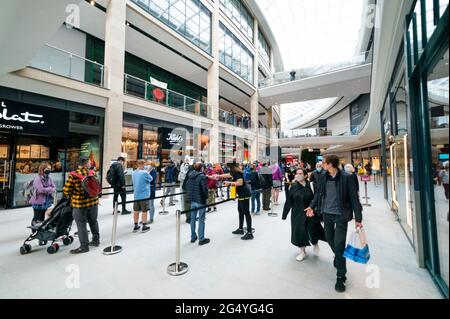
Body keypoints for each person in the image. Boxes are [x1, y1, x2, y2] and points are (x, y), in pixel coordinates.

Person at [305, 155, 363, 293]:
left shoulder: (347, 177)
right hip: (327, 214)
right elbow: (318, 194)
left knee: (339, 244)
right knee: (329, 238)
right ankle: (338, 257)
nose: (321, 165)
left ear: (330, 164)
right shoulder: (324, 176)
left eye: (324, 163)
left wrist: (358, 219)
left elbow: (354, 198)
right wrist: (312, 206)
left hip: (341, 215)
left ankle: (341, 277)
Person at [282, 169, 326, 261]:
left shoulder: (311, 185)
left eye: (300, 174)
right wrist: (284, 214)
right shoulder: (293, 187)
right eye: (297, 173)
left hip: (311, 213)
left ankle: (315, 243)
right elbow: (289, 201)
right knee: (299, 232)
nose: (298, 175)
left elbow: (318, 199)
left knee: (313, 230)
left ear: (305, 176)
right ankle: (302, 251)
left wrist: (317, 211)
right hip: (297, 214)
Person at [63, 156, 100, 254]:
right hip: (93, 202)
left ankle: (84, 246)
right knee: (93, 221)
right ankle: (96, 240)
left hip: (80, 204)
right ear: (86, 163)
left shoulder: (73, 175)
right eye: (89, 162)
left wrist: (71, 195)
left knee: (81, 225)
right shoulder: (92, 173)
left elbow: (67, 191)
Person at [222, 163, 253, 240]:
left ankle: (249, 233)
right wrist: (219, 176)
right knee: (240, 211)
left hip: (244, 194)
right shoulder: (235, 172)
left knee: (246, 213)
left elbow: (240, 183)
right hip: (241, 194)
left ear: (231, 167)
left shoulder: (237, 173)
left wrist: (229, 183)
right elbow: (228, 175)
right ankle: (240, 229)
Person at [184, 162, 210, 246]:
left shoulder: (190, 175)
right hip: (200, 200)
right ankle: (201, 239)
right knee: (201, 220)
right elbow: (205, 189)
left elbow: (187, 186)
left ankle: (193, 236)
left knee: (193, 219)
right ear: (201, 168)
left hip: (192, 200)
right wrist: (206, 197)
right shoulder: (202, 177)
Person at [30, 162, 56, 227]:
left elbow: (54, 188)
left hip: (45, 201)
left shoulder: (49, 178)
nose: (49, 170)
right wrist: (50, 188)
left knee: (42, 218)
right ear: (42, 169)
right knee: (36, 217)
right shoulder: (38, 178)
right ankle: (34, 230)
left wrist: (48, 189)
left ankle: (39, 229)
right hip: (38, 201)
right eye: (47, 168)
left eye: (50, 168)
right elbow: (41, 190)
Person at [132, 159, 152, 233]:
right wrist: (148, 172)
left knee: (136, 210)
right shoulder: (144, 173)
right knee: (144, 211)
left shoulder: (134, 172)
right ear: (142, 164)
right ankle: (144, 226)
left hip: (136, 195)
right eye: (144, 164)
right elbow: (151, 179)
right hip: (144, 195)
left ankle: (136, 225)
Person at [179, 156, 193, 223]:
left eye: (188, 159)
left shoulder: (190, 166)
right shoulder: (183, 166)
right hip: (185, 186)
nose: (186, 160)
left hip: (188, 186)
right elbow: (181, 177)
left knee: (189, 202)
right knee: (186, 202)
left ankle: (190, 216)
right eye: (186, 159)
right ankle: (188, 217)